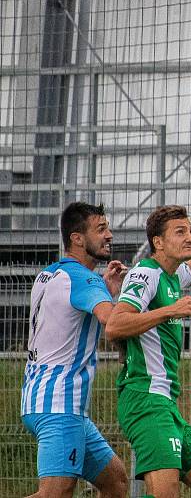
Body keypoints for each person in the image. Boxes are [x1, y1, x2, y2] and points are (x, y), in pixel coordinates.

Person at [105, 189, 191, 498]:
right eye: (181, 232)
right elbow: (115, 325)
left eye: (190, 231)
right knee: (165, 493)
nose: (190, 237)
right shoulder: (146, 273)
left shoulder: (173, 275)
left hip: (166, 404)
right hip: (144, 399)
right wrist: (170, 311)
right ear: (158, 242)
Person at [20, 202, 129, 498]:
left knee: (116, 481)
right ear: (77, 238)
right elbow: (113, 322)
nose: (109, 235)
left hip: (42, 399)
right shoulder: (84, 279)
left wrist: (105, 290)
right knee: (55, 493)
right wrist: (169, 310)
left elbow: (68, 319)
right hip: (59, 404)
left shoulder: (48, 275)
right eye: (101, 229)